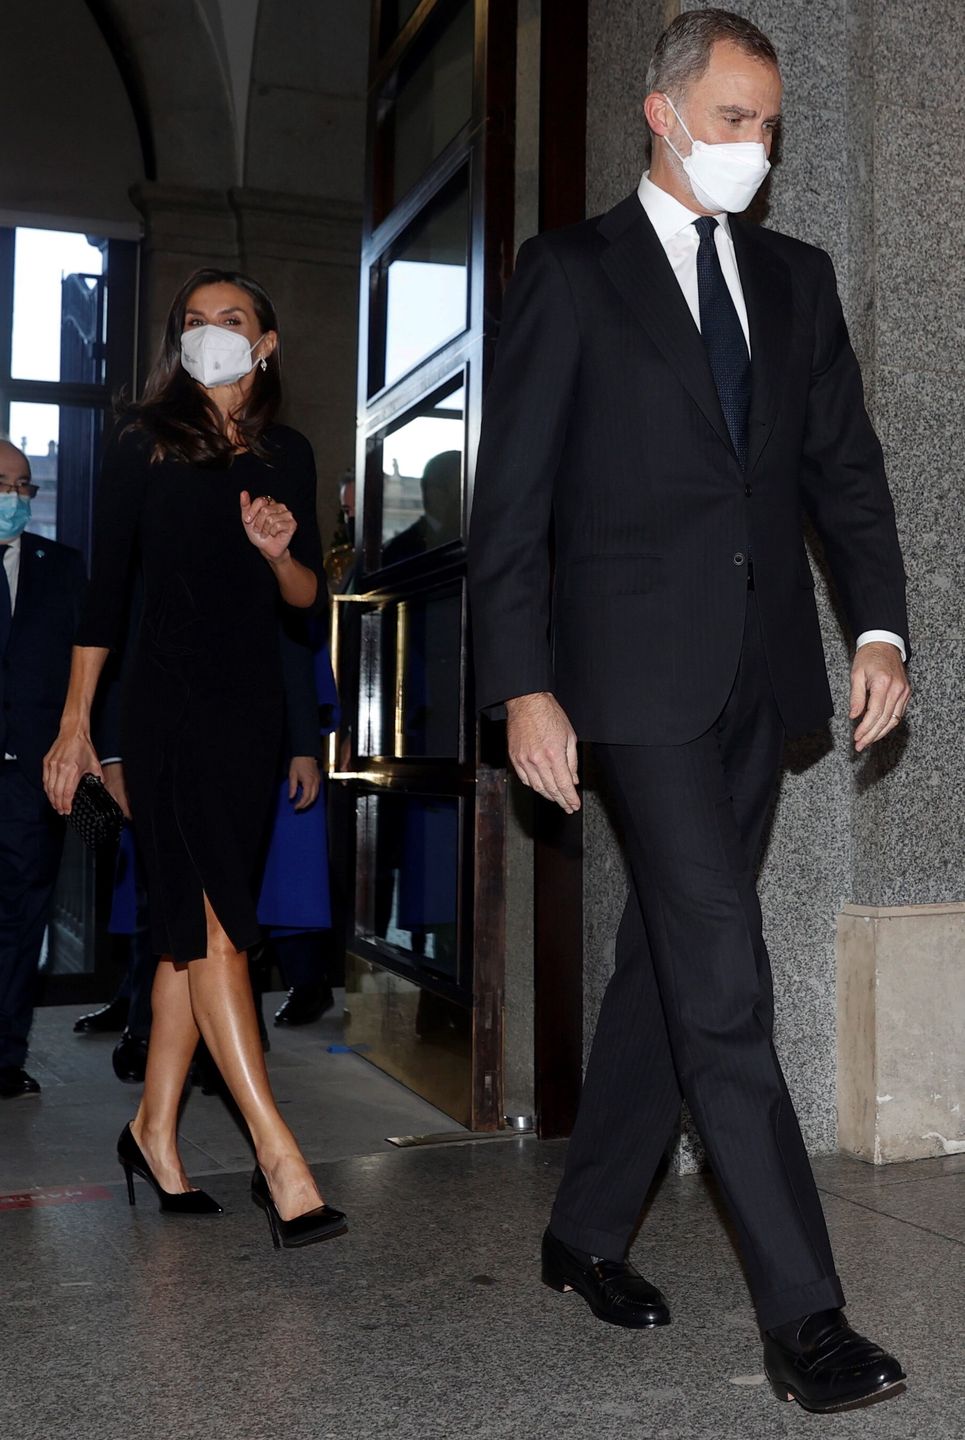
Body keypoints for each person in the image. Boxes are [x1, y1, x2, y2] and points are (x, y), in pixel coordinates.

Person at [467, 9, 910, 1416]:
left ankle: (584, 1230)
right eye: (733, 121)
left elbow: (843, 469)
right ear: (661, 115)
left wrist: (881, 628)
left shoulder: (793, 278)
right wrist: (522, 683)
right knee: (724, 980)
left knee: (660, 967)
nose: (755, 149)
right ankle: (807, 1318)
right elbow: (514, 502)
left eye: (770, 126)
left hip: (759, 681)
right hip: (632, 687)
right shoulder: (572, 276)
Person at [44, 268, 346, 1249]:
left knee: (192, 928)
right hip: (165, 711)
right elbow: (103, 600)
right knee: (217, 925)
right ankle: (279, 1161)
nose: (210, 334)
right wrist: (78, 724)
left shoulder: (288, 454)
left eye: (232, 320)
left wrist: (275, 551)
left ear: (266, 344)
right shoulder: (142, 445)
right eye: (194, 321)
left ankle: (152, 1132)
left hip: (247, 714)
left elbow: (304, 601)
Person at [0, 441, 87, 1099]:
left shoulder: (62, 568)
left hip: (32, 781)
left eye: (24, 487)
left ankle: (4, 1057)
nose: (15, 497)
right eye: (3, 483)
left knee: (21, 919)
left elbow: (88, 681)